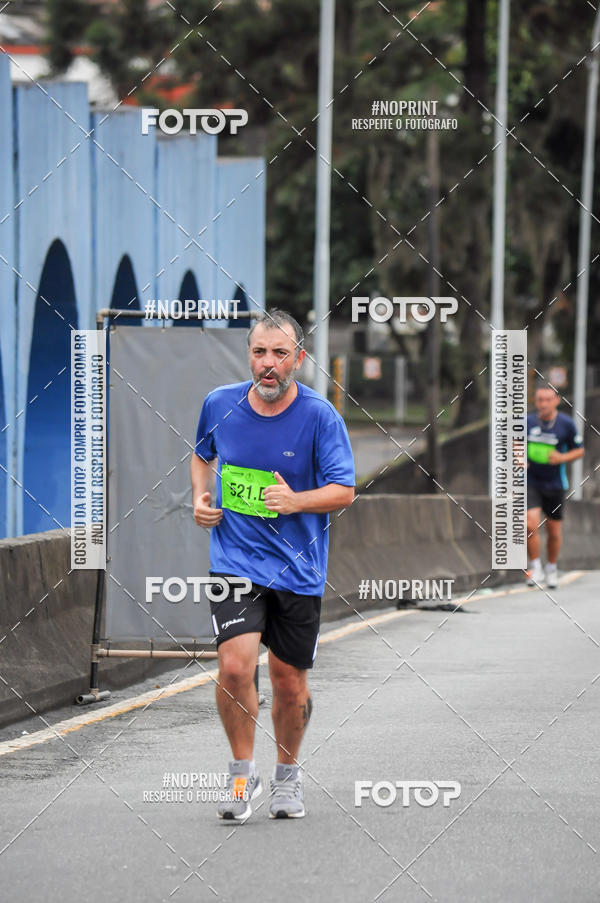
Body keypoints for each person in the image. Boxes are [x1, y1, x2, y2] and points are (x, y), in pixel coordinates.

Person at [190, 309, 355, 821]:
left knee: (287, 681)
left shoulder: (320, 416)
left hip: (298, 569)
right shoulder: (220, 403)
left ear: (298, 359)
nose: (268, 364)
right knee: (234, 667)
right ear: (249, 356)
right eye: (260, 352)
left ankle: (287, 776)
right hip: (235, 561)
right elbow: (202, 455)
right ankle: (242, 775)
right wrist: (200, 497)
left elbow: (344, 490)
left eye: (280, 354)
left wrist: (296, 501)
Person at [526, 384, 584, 589]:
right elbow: (515, 446)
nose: (542, 404)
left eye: (547, 400)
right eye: (539, 399)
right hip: (530, 481)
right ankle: (535, 567)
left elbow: (579, 451)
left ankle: (551, 567)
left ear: (556, 400)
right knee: (530, 524)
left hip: (555, 484)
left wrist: (562, 457)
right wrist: (519, 459)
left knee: (553, 530)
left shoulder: (566, 424)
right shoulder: (528, 422)